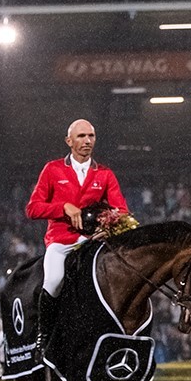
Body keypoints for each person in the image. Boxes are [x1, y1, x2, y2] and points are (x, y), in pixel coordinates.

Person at [25, 119, 128, 344]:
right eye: (81, 136)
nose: (87, 141)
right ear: (68, 141)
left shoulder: (105, 174)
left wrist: (107, 225)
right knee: (53, 280)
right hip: (62, 241)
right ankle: (44, 337)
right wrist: (62, 207)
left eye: (91, 136)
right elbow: (33, 208)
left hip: (94, 240)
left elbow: (121, 210)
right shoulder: (52, 169)